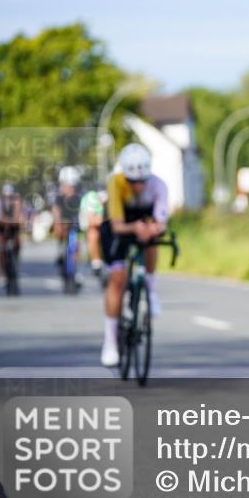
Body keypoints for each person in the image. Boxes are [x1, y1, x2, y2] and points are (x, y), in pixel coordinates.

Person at [99, 144, 168, 366]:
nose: (138, 186)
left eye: (142, 181)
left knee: (152, 243)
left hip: (143, 221)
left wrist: (153, 229)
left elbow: (161, 220)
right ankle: (110, 341)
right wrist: (136, 228)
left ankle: (151, 290)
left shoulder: (158, 185)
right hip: (118, 227)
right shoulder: (116, 183)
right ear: (125, 177)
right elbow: (118, 226)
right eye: (133, 181)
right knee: (117, 279)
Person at [52, 166, 83, 282]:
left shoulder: (79, 197)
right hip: (63, 223)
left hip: (76, 224)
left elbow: (82, 211)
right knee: (60, 229)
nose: (64, 187)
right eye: (63, 185)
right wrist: (58, 223)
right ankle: (61, 252)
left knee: (76, 245)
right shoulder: (59, 198)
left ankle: (76, 269)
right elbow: (56, 210)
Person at [0, 183, 25, 289]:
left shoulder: (17, 200)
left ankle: (16, 259)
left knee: (18, 241)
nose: (8, 198)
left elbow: (19, 215)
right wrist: (5, 221)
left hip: (13, 227)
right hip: (2, 228)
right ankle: (3, 272)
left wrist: (17, 221)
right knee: (0, 245)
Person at [79, 187, 106, 279]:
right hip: (89, 225)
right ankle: (96, 263)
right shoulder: (92, 198)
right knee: (93, 232)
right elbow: (93, 221)